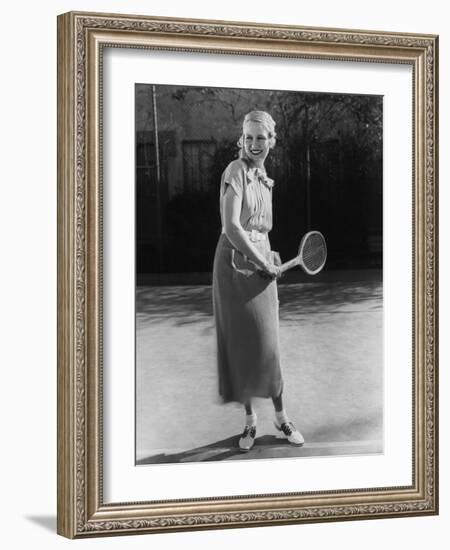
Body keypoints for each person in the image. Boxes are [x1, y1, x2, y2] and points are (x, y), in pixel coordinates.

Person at [212, 110, 304, 452]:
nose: (253, 144)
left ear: (271, 141)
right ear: (242, 139)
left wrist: (271, 254)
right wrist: (260, 259)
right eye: (248, 137)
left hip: (261, 260)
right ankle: (250, 421)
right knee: (242, 344)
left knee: (269, 345)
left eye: (260, 138)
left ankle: (281, 418)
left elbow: (260, 228)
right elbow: (232, 227)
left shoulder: (263, 176)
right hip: (233, 266)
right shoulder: (235, 171)